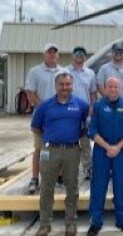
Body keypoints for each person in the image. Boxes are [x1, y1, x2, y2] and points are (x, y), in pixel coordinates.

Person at [31, 72, 89, 236]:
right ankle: (44, 224)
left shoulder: (81, 105)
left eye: (68, 84)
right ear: (56, 86)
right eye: (62, 84)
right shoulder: (45, 106)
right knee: (46, 189)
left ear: (72, 85)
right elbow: (35, 127)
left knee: (72, 188)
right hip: (50, 151)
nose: (65, 87)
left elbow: (86, 125)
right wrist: (49, 138)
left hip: (72, 151)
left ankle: (71, 223)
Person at [87, 77, 123, 236]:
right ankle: (95, 221)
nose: (113, 89)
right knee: (98, 186)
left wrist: (117, 147)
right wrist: (108, 147)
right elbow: (93, 131)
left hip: (121, 150)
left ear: (120, 87)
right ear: (105, 88)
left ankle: (122, 219)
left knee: (121, 184)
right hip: (101, 151)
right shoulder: (98, 106)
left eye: (115, 86)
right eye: (109, 86)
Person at [25, 43, 63, 194]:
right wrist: (45, 109)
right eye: (49, 52)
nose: (52, 54)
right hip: (41, 117)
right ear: (44, 55)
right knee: (39, 148)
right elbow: (30, 94)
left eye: (55, 52)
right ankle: (35, 177)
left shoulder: (63, 71)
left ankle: (59, 176)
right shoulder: (35, 72)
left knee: (59, 147)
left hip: (59, 117)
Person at [67, 46, 97, 180]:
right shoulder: (64, 71)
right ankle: (67, 170)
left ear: (85, 57)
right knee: (69, 142)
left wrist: (91, 110)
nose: (79, 56)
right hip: (68, 112)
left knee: (85, 142)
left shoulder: (90, 73)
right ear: (72, 56)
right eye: (77, 53)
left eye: (82, 54)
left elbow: (93, 93)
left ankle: (87, 168)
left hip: (84, 112)